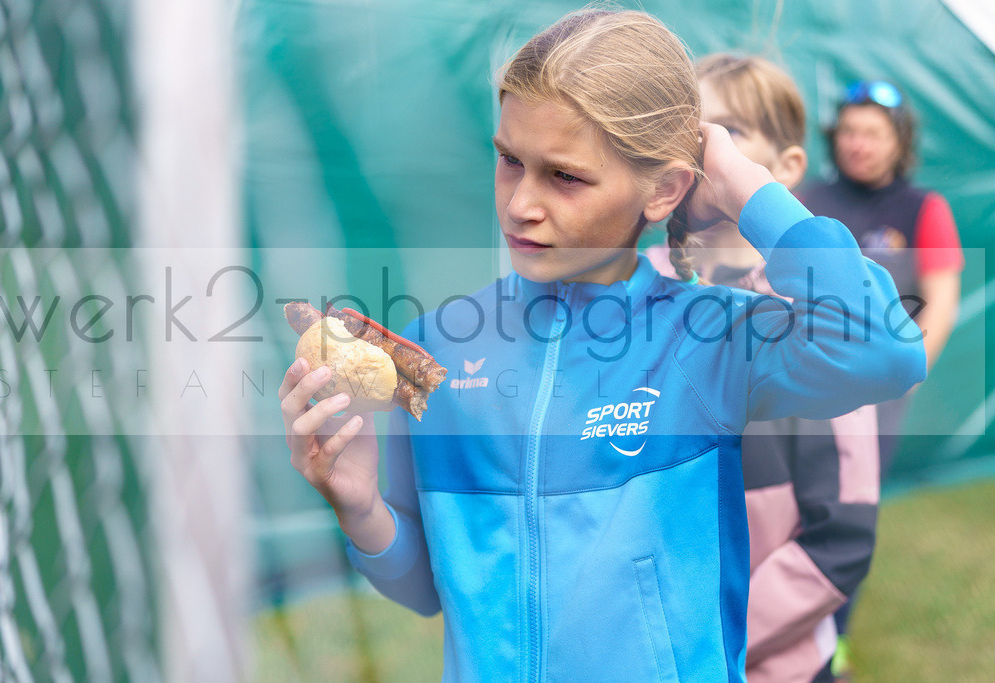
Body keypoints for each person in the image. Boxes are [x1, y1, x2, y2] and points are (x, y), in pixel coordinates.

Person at [279, 10, 925, 680]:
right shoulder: (436, 350)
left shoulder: (707, 336)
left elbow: (885, 348)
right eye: (510, 160)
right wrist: (361, 508)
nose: (521, 204)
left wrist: (740, 184)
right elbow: (428, 589)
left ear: (665, 189)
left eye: (565, 176)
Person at [649, 54, 881, 682]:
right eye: (689, 133)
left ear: (787, 166)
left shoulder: (817, 314)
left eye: (730, 133)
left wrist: (711, 639)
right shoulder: (635, 292)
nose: (704, 152)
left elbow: (840, 538)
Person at [800, 79, 965, 678]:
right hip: (800, 387)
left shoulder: (923, 209)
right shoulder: (806, 198)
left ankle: (833, 639)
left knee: (847, 516)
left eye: (872, 133)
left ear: (899, 141)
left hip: (876, 398)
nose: (858, 144)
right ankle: (775, 635)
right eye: (848, 131)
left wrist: (904, 374)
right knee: (787, 509)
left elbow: (941, 302)